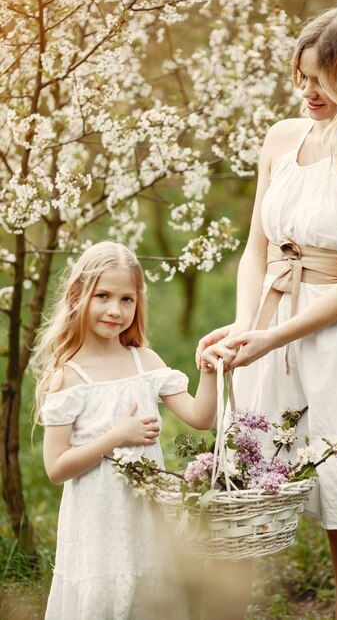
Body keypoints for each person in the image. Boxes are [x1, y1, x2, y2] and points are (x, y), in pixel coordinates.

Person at [197, 3, 337, 620]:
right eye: (301, 75)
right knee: (243, 508)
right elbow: (255, 250)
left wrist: (273, 335)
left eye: (322, 79)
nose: (306, 91)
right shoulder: (282, 138)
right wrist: (247, 328)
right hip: (271, 329)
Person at [33, 241, 218, 620]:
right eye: (102, 296)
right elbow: (55, 468)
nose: (115, 310)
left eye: (126, 299)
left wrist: (211, 370)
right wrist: (117, 436)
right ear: (77, 295)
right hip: (97, 523)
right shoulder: (68, 376)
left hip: (145, 518)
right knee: (102, 600)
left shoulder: (143, 361)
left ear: (138, 303)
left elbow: (201, 417)